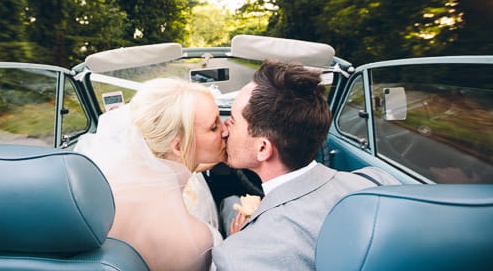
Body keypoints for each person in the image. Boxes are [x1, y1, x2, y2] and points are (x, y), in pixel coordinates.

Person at [213, 61, 399, 271]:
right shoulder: (377, 180)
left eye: (233, 121)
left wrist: (241, 238)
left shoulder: (241, 255)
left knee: (228, 202)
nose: (224, 129)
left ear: (263, 148)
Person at [75, 78, 227, 271]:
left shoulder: (106, 184)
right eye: (214, 127)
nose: (225, 129)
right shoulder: (195, 239)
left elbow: (187, 165)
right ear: (179, 147)